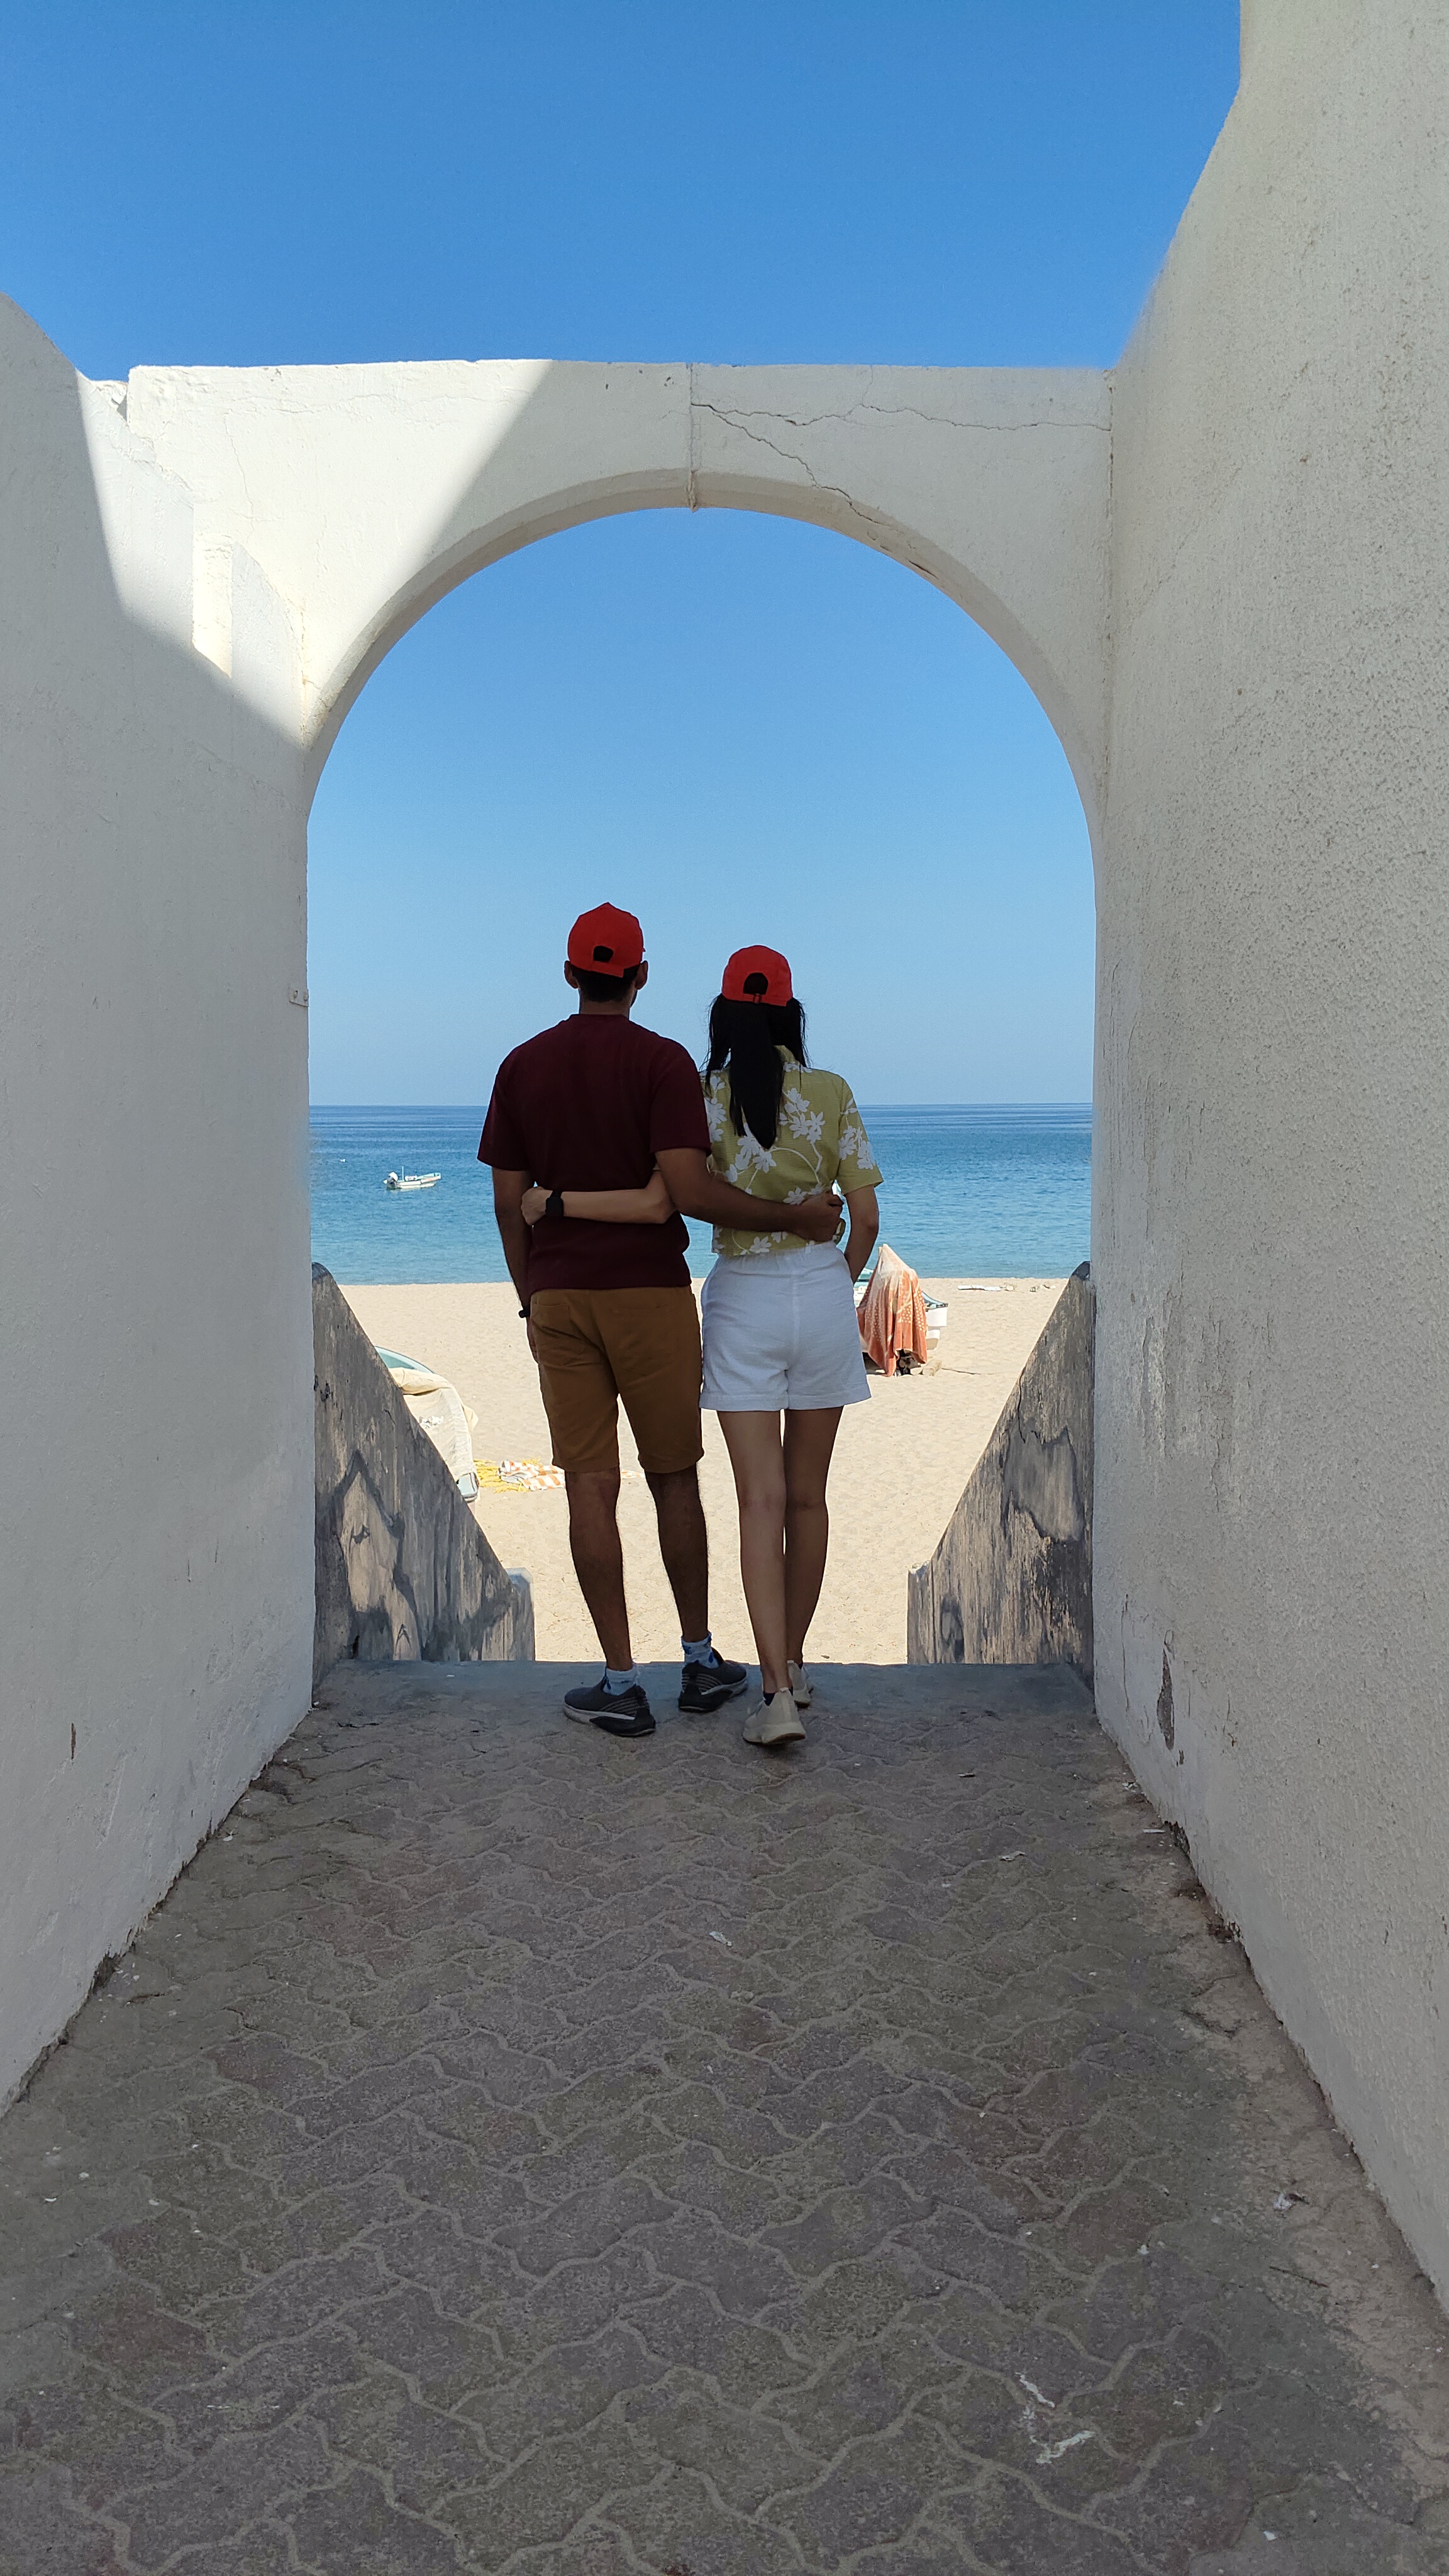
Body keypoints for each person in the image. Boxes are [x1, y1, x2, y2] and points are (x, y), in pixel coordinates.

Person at [479, 904, 844, 1740]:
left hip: (561, 1296)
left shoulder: (521, 1065)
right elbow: (682, 1189)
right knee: (675, 1477)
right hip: (650, 1293)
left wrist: (532, 1297)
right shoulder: (663, 1062)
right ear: (640, 976)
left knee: (589, 1487)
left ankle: (618, 1679)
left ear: (570, 974)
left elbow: (507, 1202)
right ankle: (699, 1660)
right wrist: (795, 1219)